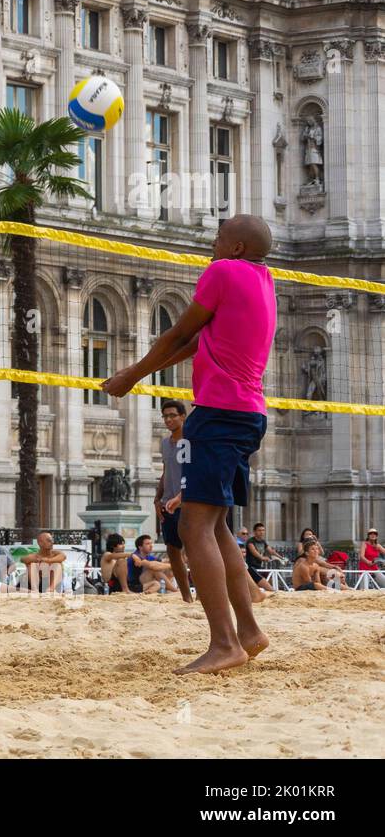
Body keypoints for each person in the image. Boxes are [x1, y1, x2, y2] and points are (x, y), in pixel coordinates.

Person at [103, 215, 276, 674]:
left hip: (219, 415)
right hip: (247, 415)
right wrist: (144, 370)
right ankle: (249, 632)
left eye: (219, 239)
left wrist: (130, 375)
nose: (211, 245)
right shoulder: (263, 278)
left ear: (236, 247)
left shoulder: (223, 271)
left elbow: (180, 333)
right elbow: (199, 341)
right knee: (216, 529)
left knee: (193, 529)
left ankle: (225, 644)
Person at [154, 400, 193, 598]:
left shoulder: (189, 441)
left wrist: (181, 495)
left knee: (194, 551)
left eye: (172, 415)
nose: (168, 419)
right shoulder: (165, 443)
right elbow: (166, 472)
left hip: (188, 502)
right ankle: (186, 596)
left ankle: (203, 595)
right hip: (168, 503)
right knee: (173, 550)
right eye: (165, 416)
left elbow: (193, 472)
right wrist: (157, 498)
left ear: (183, 416)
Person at [245, 523, 281, 592]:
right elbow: (254, 552)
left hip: (260, 566)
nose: (262, 532)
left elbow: (271, 551)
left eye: (263, 530)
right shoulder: (250, 541)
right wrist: (263, 558)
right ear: (254, 531)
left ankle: (272, 592)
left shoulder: (263, 542)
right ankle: (271, 591)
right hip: (252, 567)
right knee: (259, 582)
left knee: (269, 577)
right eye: (259, 530)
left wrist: (281, 558)